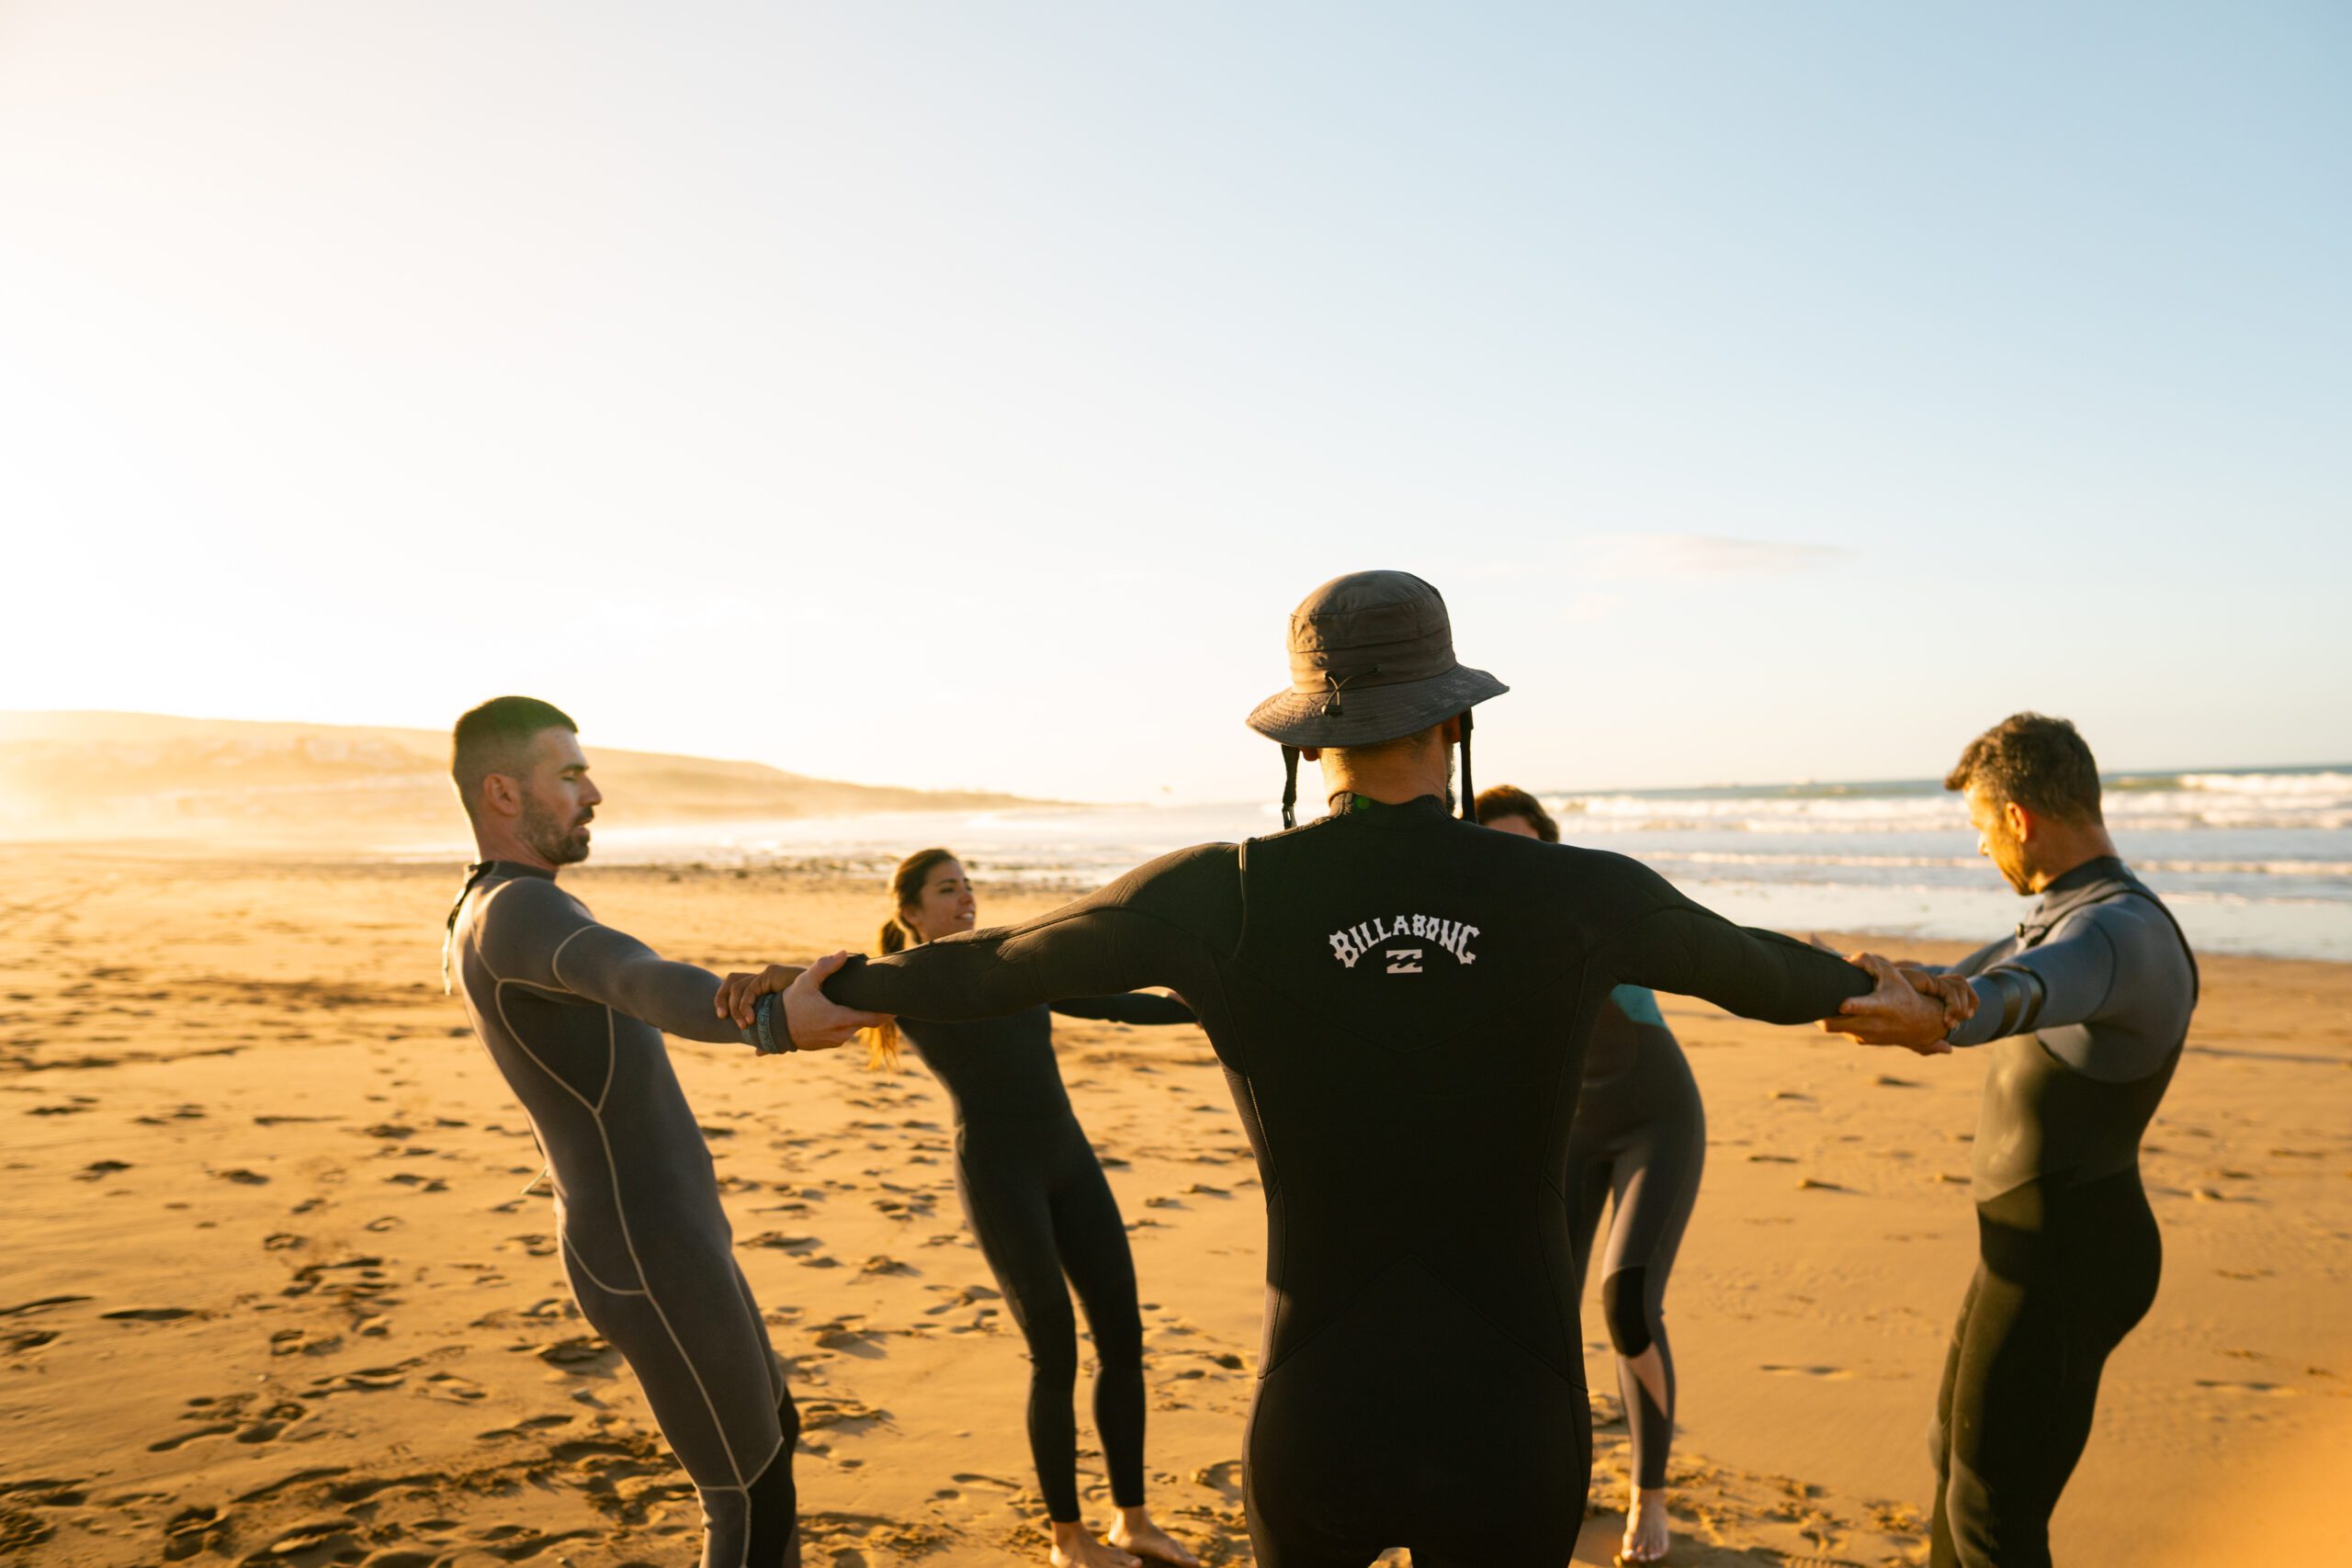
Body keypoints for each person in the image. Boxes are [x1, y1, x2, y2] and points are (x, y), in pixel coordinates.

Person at [718, 571, 1951, 1568]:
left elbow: (1008, 960)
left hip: (1322, 1402)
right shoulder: (1578, 891)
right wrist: (1888, 994)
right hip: (1514, 1409)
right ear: (1455, 721)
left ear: (1312, 743)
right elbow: (1751, 964)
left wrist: (831, 991)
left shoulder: (1225, 891)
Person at [442, 696, 882, 1568]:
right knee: (747, 1495)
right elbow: (638, 977)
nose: (593, 791)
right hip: (649, 1246)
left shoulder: (486, 905)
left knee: (770, 1448)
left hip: (659, 1234)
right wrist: (767, 1019)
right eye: (568, 775)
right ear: (502, 792)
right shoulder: (521, 911)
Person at [1826, 714, 2198, 1568]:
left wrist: (1944, 1013)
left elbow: (2019, 992)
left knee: (1996, 1511)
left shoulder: (2116, 932)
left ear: (2019, 819)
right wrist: (1874, 987)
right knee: (1955, 1464)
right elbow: (1970, 977)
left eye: (1982, 828)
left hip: (2072, 1254)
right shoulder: (2065, 913)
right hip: (2029, 1248)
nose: (1984, 849)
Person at [868, 849, 1202, 1568]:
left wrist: (1189, 1010)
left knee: (1123, 1336)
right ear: (911, 913)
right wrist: (765, 991)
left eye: (968, 886)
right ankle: (1067, 1537)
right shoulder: (901, 983)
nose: (966, 900)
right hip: (999, 1174)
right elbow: (822, 987)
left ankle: (1132, 1520)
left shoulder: (1014, 961)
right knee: (1054, 1352)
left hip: (1070, 1163)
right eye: (946, 890)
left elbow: (1105, 1001)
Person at [1477, 784, 1702, 1567]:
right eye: (1498, 848)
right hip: (1568, 1134)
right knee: (1542, 1314)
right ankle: (1551, 1478)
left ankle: (1650, 1491)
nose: (1521, 863)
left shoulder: (1596, 906)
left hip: (1657, 1119)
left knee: (1628, 1302)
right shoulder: (1478, 943)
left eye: (1531, 843)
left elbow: (1701, 947)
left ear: (1553, 845)